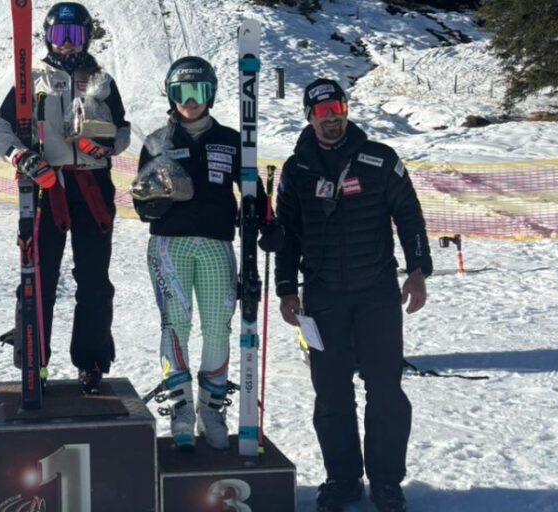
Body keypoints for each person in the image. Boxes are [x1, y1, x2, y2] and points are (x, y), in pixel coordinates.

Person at [274, 78, 431, 512]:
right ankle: (342, 479)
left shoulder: (379, 158)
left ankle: (386, 482)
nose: (332, 118)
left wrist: (417, 271)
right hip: (322, 297)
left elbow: (410, 216)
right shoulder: (296, 169)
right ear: (309, 116)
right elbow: (287, 234)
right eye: (323, 112)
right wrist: (285, 289)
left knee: (385, 389)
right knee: (331, 392)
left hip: (377, 293)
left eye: (338, 109)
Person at [132, 56, 280, 450]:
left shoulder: (231, 140)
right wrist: (152, 203)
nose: (190, 100)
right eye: (181, 92)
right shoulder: (157, 141)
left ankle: (210, 410)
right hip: (170, 245)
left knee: (218, 326)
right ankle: (181, 409)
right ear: (171, 95)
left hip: (217, 243)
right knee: (175, 326)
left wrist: (267, 221)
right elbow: (140, 197)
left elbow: (251, 189)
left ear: (210, 93)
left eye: (198, 91)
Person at [0, 1, 131, 394]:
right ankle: (33, 358)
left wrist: (109, 147)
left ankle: (91, 359)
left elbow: (123, 129)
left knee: (94, 278)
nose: (67, 43)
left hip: (92, 185)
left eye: (74, 35)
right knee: (39, 275)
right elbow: (1, 131)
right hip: (47, 184)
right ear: (48, 38)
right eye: (59, 35)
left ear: (86, 38)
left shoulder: (101, 81)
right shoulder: (31, 78)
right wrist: (20, 156)